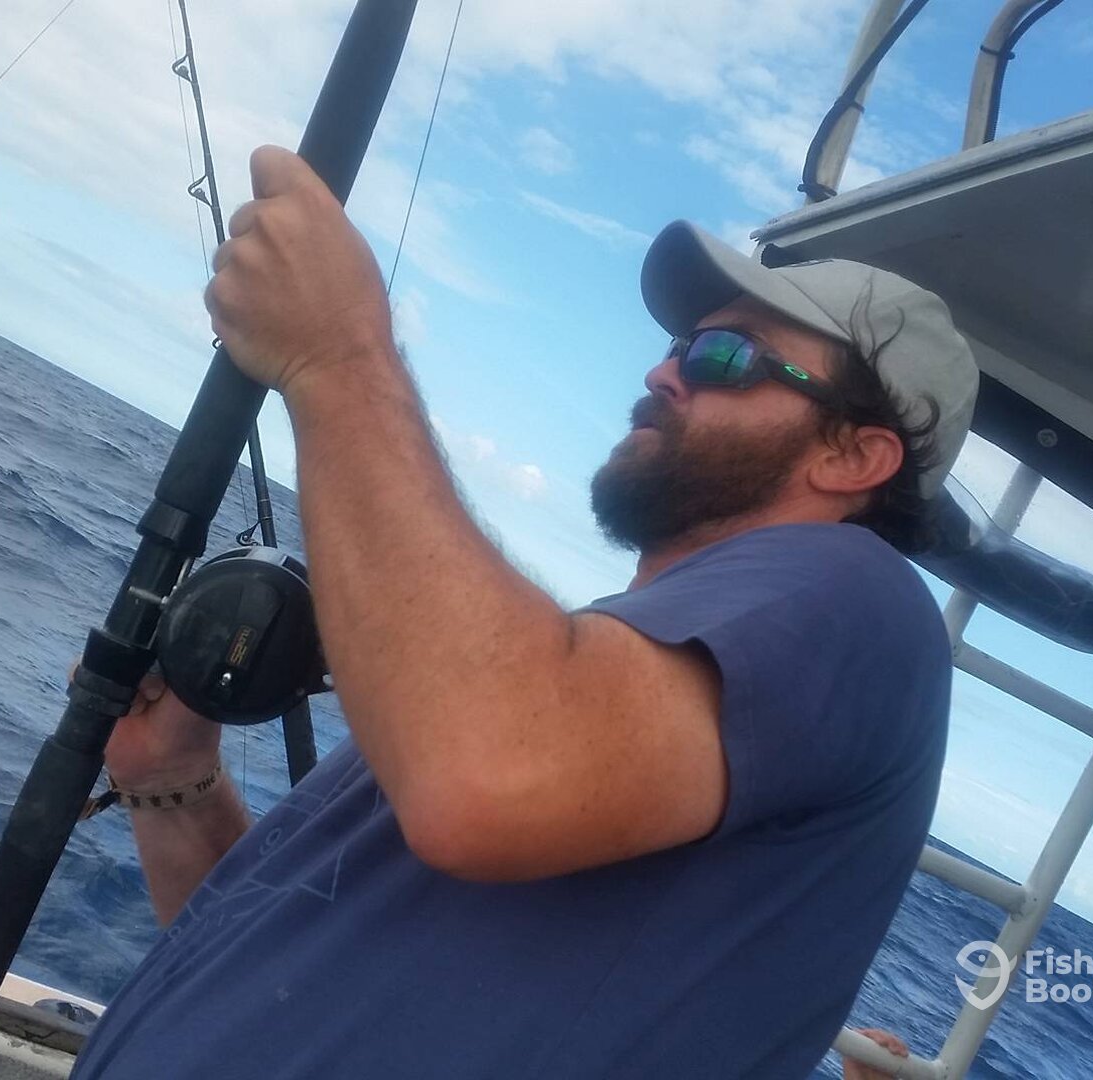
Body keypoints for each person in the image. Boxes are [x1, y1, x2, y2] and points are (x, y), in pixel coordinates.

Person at [69, 146, 978, 1079]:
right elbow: (278, 964)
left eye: (726, 356)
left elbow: (486, 782)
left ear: (854, 458)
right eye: (679, 347)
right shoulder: (573, 685)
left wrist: (337, 355)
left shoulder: (859, 597)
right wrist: (172, 782)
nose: (664, 374)